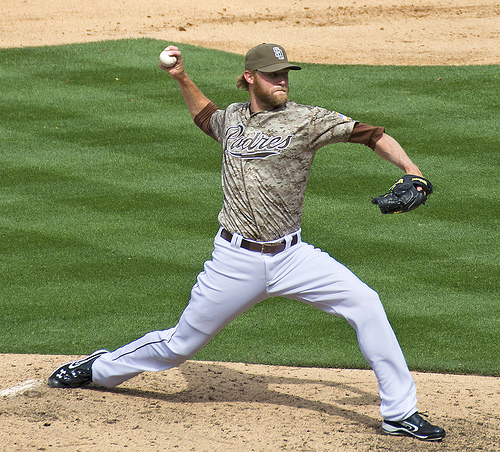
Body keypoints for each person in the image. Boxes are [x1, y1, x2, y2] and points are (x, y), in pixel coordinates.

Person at [49, 43, 445, 441]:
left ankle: (399, 413)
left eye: (286, 74)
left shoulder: (307, 119)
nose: (283, 81)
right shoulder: (233, 118)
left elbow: (373, 135)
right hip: (234, 261)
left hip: (294, 257)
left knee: (366, 303)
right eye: (274, 75)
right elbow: (207, 117)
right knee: (179, 346)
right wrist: (182, 78)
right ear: (251, 78)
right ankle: (99, 368)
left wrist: (413, 171)